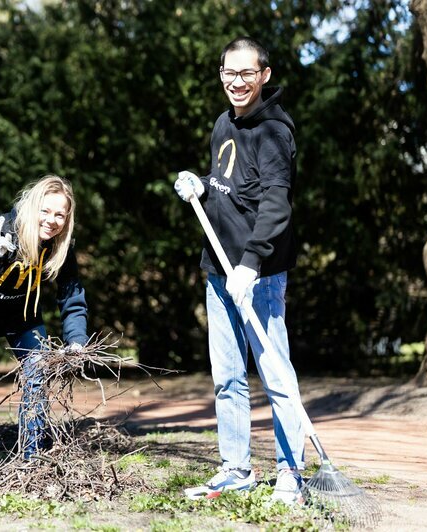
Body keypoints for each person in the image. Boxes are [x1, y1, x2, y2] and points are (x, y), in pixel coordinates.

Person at [174, 36, 305, 505]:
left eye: (247, 73)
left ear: (264, 75)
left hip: (259, 274)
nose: (237, 81)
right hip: (219, 269)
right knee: (227, 378)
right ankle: (236, 469)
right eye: (229, 72)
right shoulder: (222, 124)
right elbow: (229, 190)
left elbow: (275, 204)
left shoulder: (275, 132)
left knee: (276, 374)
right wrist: (200, 188)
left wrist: (251, 265)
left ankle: (292, 471)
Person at [0, 175, 89, 460]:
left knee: (38, 374)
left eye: (60, 215)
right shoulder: (0, 229)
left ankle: (32, 455)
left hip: (20, 317)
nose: (51, 220)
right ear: (32, 206)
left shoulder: (60, 247)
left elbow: (71, 295)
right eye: (45, 211)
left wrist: (76, 339)